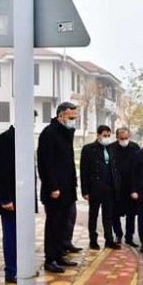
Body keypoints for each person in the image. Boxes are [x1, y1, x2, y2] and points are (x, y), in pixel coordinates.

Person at [37, 102, 81, 273]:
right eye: (71, 117)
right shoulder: (49, 133)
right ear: (60, 115)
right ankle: (50, 259)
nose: (73, 121)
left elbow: (67, 162)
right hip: (55, 190)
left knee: (64, 223)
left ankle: (59, 254)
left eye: (75, 118)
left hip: (67, 189)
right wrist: (53, 186)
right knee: (53, 224)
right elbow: (45, 163)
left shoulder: (66, 132)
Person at [80, 125, 121, 250]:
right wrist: (85, 191)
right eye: (105, 135)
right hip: (95, 188)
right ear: (98, 135)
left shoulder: (111, 148)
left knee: (108, 215)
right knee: (93, 215)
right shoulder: (88, 149)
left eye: (109, 136)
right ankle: (93, 240)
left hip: (109, 187)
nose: (107, 138)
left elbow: (114, 167)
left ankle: (109, 239)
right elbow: (84, 171)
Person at [0, 125, 18, 284]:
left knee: (23, 236)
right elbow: (1, 171)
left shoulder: (24, 138)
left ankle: (21, 268)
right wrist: (6, 199)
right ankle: (11, 271)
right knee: (11, 236)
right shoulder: (5, 139)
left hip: (24, 198)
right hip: (10, 199)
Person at [109, 127, 140, 246]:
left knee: (131, 214)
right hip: (116, 187)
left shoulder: (135, 147)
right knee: (114, 213)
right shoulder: (111, 148)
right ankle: (118, 234)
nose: (124, 140)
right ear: (117, 137)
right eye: (121, 138)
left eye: (126, 138)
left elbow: (139, 168)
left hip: (131, 187)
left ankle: (129, 237)